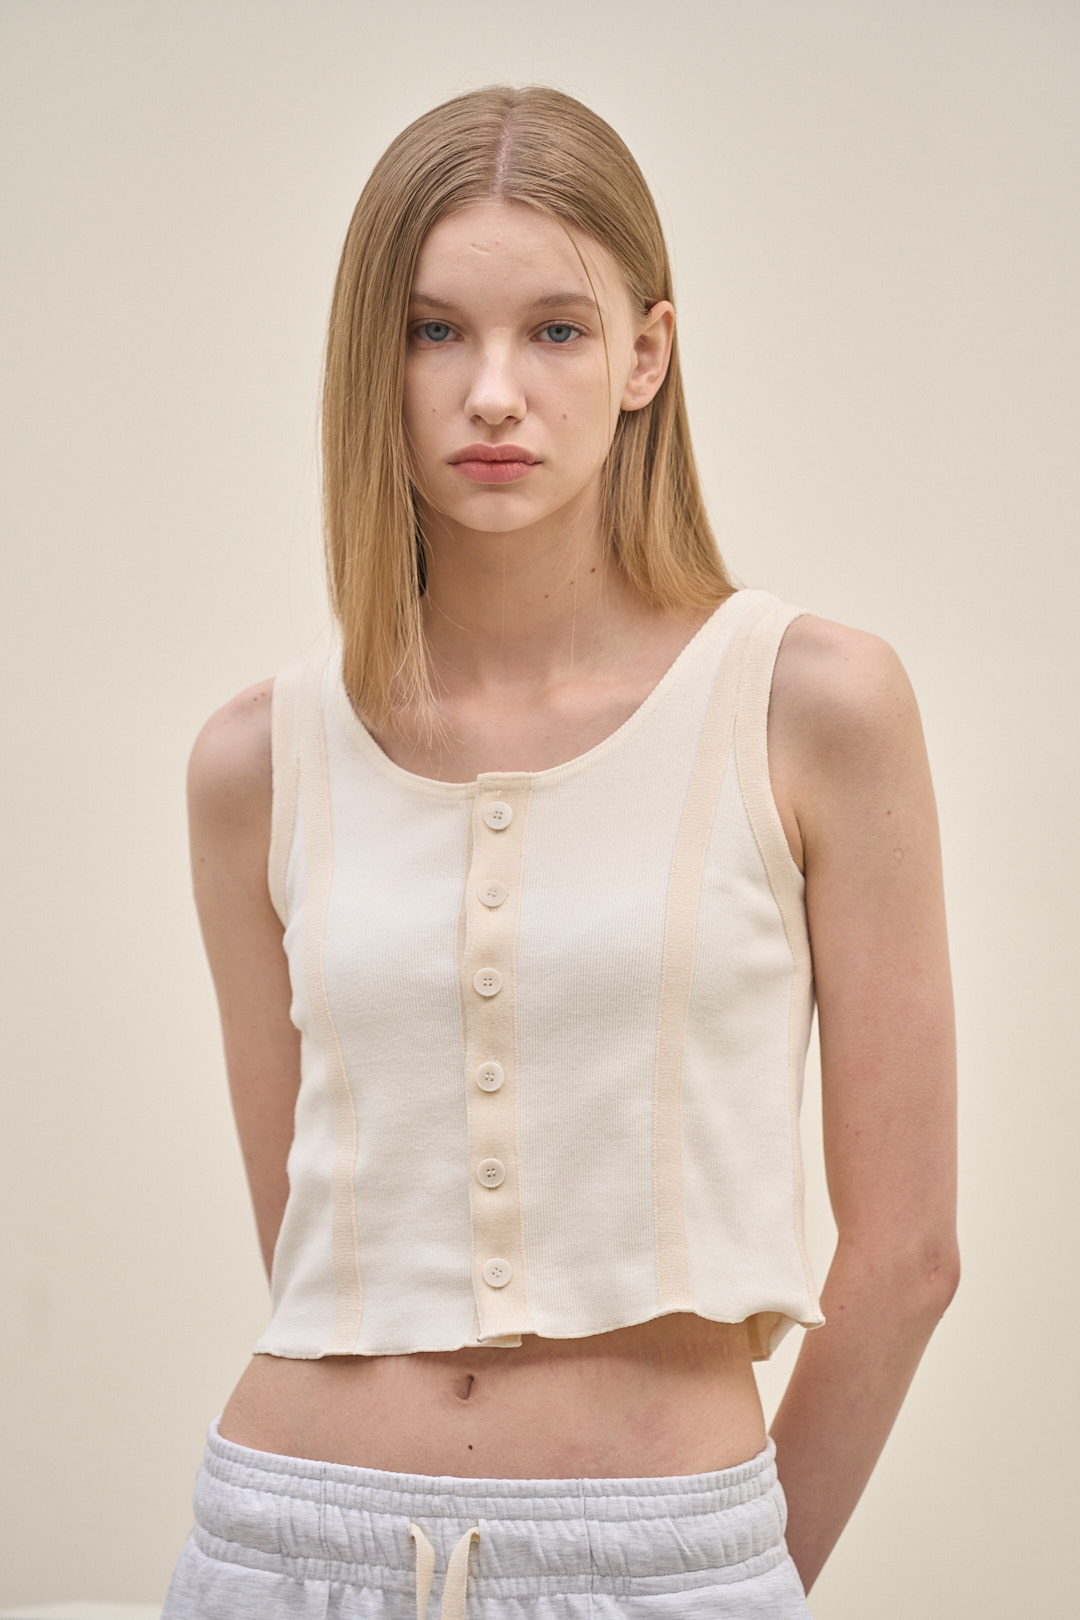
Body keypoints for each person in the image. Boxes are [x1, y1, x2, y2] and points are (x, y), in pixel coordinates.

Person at [161, 83, 959, 1620]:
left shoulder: (813, 706)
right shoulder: (256, 762)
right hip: (283, 1543)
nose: (492, 393)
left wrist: (728, 1577)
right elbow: (312, 1247)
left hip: (668, 1552)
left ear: (646, 355)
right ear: (373, 364)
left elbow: (910, 1253)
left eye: (556, 330)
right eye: (433, 331)